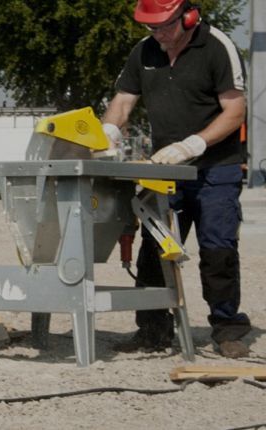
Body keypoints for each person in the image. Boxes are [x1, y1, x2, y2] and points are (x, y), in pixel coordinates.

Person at [101, 0, 252, 358]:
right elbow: (123, 102)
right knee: (154, 250)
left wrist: (193, 144)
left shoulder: (217, 47)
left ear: (189, 16)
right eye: (151, 28)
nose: (159, 35)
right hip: (165, 169)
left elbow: (235, 110)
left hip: (216, 168)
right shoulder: (144, 51)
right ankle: (153, 331)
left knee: (218, 249)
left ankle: (227, 329)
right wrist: (108, 130)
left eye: (165, 26)